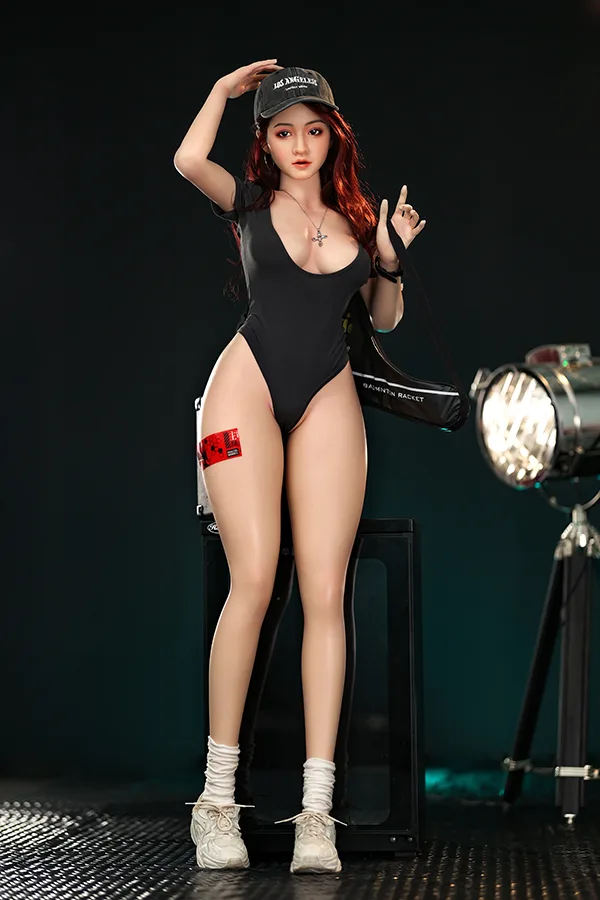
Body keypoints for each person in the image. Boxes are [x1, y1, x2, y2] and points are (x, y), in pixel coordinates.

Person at [174, 59, 426, 875]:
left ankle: (317, 815)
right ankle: (216, 802)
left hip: (327, 394)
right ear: (267, 143)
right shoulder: (248, 203)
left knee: (325, 592)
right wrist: (223, 93)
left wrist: (390, 257)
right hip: (242, 391)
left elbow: (383, 316)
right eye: (284, 132)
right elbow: (187, 160)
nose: (301, 145)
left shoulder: (356, 221)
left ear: (332, 136)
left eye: (313, 130)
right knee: (252, 581)